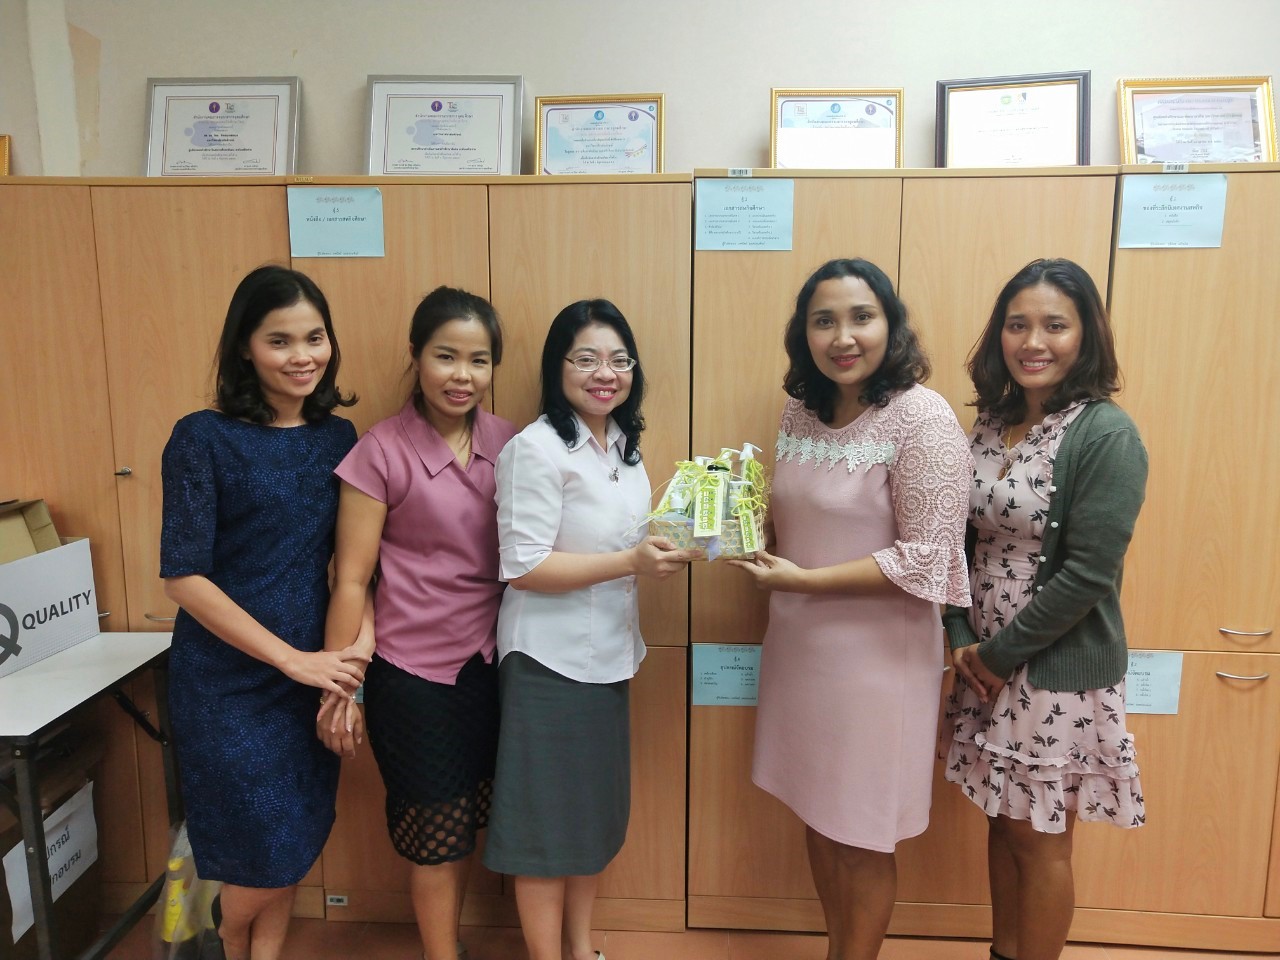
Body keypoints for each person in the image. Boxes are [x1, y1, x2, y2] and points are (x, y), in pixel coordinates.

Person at [729, 258, 972, 960]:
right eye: (824, 320)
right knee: (818, 812)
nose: (843, 336)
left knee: (862, 833)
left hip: (877, 665)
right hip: (800, 652)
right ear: (802, 333)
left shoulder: (922, 417)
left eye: (861, 317)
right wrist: (737, 525)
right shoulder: (800, 409)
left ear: (890, 324)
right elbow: (796, 515)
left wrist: (802, 581)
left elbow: (928, 558)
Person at [159, 265, 368, 960]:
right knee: (260, 851)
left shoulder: (339, 438)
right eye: (280, 341)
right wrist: (292, 660)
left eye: (315, 337)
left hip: (315, 672)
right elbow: (183, 577)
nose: (303, 356)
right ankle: (221, 934)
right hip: (226, 682)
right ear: (245, 348)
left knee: (295, 837)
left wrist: (349, 662)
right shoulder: (202, 437)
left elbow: (356, 564)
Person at [942, 258, 1148, 960]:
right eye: (1017, 324)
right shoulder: (992, 422)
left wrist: (998, 656)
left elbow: (1089, 572)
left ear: (1085, 334)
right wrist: (960, 630)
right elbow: (957, 536)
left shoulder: (1106, 434)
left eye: (1055, 325)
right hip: (982, 656)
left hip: (1049, 664)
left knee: (1040, 836)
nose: (1033, 342)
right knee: (1002, 820)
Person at [482, 299, 695, 960]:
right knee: (546, 833)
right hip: (548, 663)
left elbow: (629, 541)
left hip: (609, 657)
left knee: (589, 821)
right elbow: (524, 566)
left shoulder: (624, 449)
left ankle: (580, 948)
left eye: (619, 360)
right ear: (558, 367)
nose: (606, 373)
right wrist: (633, 562)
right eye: (586, 359)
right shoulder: (535, 449)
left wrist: (681, 540)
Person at [320, 287, 517, 960]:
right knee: (436, 835)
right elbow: (351, 578)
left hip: (493, 666)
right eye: (445, 356)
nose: (463, 376)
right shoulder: (381, 450)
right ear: (415, 355)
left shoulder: (510, 443)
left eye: (479, 360)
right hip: (411, 676)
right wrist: (340, 688)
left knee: (471, 821)